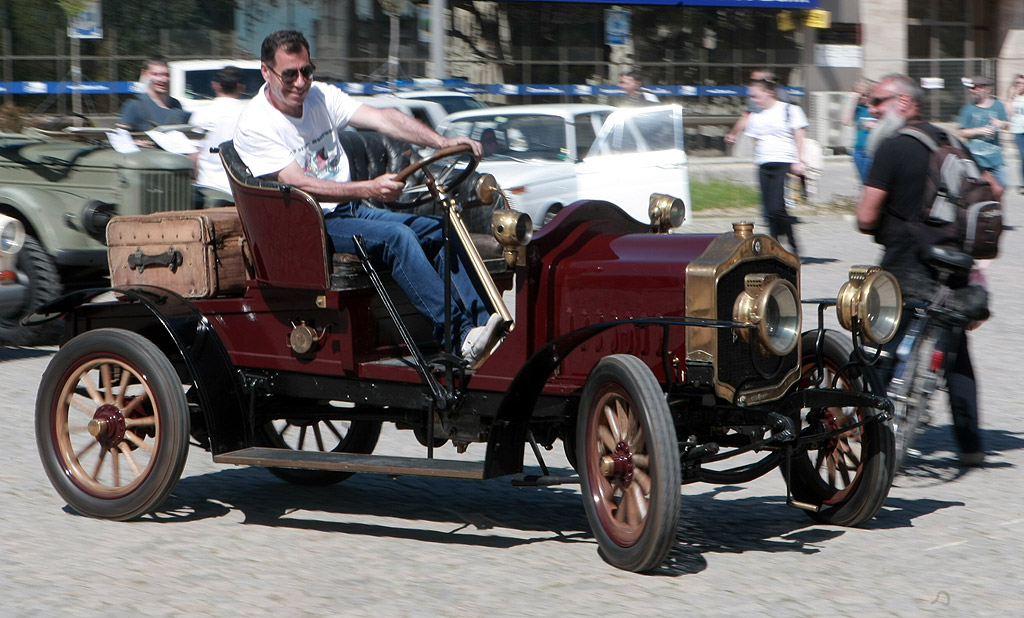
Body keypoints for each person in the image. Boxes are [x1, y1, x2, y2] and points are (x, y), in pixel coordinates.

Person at [233, 30, 500, 367]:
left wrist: (441, 142)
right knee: (399, 238)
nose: (301, 83)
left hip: (347, 210)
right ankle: (459, 336)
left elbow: (384, 118)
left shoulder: (320, 97)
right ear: (265, 72)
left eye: (307, 71)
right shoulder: (256, 123)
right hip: (309, 226)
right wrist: (370, 188)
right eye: (290, 74)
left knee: (437, 229)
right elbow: (301, 185)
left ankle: (485, 326)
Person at [856, 73, 986, 467]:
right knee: (957, 351)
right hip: (954, 264)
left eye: (878, 101)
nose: (872, 109)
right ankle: (971, 446)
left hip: (906, 264)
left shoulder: (894, 147)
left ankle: (870, 441)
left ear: (904, 102)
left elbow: (865, 216)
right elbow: (989, 193)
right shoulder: (954, 143)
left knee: (882, 347)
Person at [743, 78, 806, 256]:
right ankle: (774, 248)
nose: (753, 100)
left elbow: (799, 135)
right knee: (769, 211)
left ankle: (793, 243)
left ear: (769, 92)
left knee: (777, 208)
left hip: (784, 162)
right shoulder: (756, 115)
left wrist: (799, 160)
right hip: (764, 164)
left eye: (756, 95)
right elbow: (755, 139)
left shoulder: (789, 110)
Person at [189, 66, 248, 195]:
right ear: (241, 87)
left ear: (215, 85)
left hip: (208, 187)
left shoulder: (202, 114)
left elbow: (193, 153)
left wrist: (194, 179)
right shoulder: (249, 114)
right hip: (240, 188)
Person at [957, 75, 1008, 191]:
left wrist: (1001, 124)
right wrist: (979, 131)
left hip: (995, 158)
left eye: (975, 88)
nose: (972, 91)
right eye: (971, 88)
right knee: (980, 190)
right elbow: (961, 132)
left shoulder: (998, 106)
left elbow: (1007, 125)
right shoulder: (968, 109)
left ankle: (998, 208)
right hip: (976, 159)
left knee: (1002, 186)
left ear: (986, 89)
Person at [119, 55, 191, 131]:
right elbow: (123, 139)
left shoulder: (176, 104)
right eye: (156, 74)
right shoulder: (134, 105)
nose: (162, 80)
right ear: (145, 74)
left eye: (166, 75)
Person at [724, 68, 791, 147]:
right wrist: (733, 133)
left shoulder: (782, 95)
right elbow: (747, 115)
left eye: (756, 81)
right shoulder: (754, 98)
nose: (753, 84)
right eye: (752, 81)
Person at [842, 77, 877, 183]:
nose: (864, 98)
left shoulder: (875, 108)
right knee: (863, 182)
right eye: (861, 95)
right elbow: (845, 121)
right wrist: (853, 100)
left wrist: (875, 125)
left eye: (866, 95)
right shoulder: (857, 108)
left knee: (871, 180)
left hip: (873, 150)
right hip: (859, 150)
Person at [1005, 74, 1024, 194]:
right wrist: (1011, 97)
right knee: (1023, 157)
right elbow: (1009, 113)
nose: (1019, 85)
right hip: (1018, 130)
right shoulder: (1013, 99)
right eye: (1017, 83)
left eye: (1021, 83)